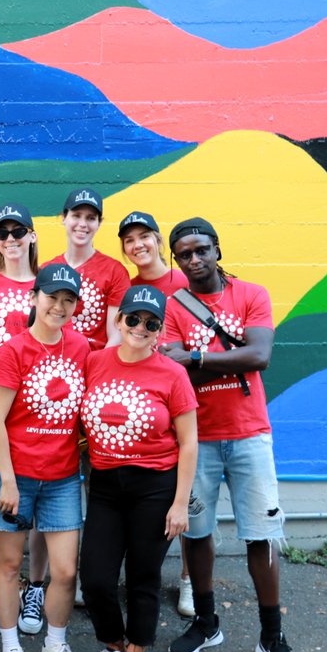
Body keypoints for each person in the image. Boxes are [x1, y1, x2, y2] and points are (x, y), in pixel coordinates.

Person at [159, 218, 306, 652]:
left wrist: (199, 358)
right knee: (197, 532)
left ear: (217, 249)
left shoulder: (251, 295)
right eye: (184, 254)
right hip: (196, 438)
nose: (194, 260)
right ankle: (206, 623)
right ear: (178, 261)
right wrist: (224, 359)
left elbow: (259, 356)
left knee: (261, 535)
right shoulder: (173, 306)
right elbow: (173, 376)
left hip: (249, 434)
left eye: (201, 250)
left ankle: (271, 636)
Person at [78, 285, 197, 652]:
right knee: (95, 575)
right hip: (107, 484)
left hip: (155, 486)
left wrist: (180, 503)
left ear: (160, 330)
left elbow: (189, 442)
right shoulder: (95, 363)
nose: (141, 328)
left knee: (143, 575)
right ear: (119, 320)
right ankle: (113, 645)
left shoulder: (172, 373)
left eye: (151, 323)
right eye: (133, 319)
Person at [0, 263, 90, 652]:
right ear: (34, 298)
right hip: (14, 476)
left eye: (68, 300)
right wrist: (8, 479)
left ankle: (55, 642)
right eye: (52, 297)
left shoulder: (81, 348)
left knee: (64, 571)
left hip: (63, 477)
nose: (59, 306)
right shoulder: (14, 350)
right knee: (9, 566)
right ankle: (11, 648)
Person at [0, 204, 50, 637]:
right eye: (2, 233)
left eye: (18, 230)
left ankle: (34, 587)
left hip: (43, 406)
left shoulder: (47, 285)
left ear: (32, 235)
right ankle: (1, 583)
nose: (10, 239)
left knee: (40, 499)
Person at [116, 212, 194, 617]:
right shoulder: (130, 289)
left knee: (184, 498)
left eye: (144, 236)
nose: (138, 245)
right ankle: (132, 573)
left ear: (158, 240)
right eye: (129, 240)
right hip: (138, 407)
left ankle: (187, 580)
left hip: (181, 397)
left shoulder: (181, 283)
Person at [44, 188, 130, 351]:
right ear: (64, 218)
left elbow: (117, 333)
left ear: (99, 223)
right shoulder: (48, 270)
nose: (82, 224)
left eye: (91, 218)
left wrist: (97, 364)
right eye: (76, 216)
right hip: (55, 362)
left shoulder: (114, 271)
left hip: (97, 361)